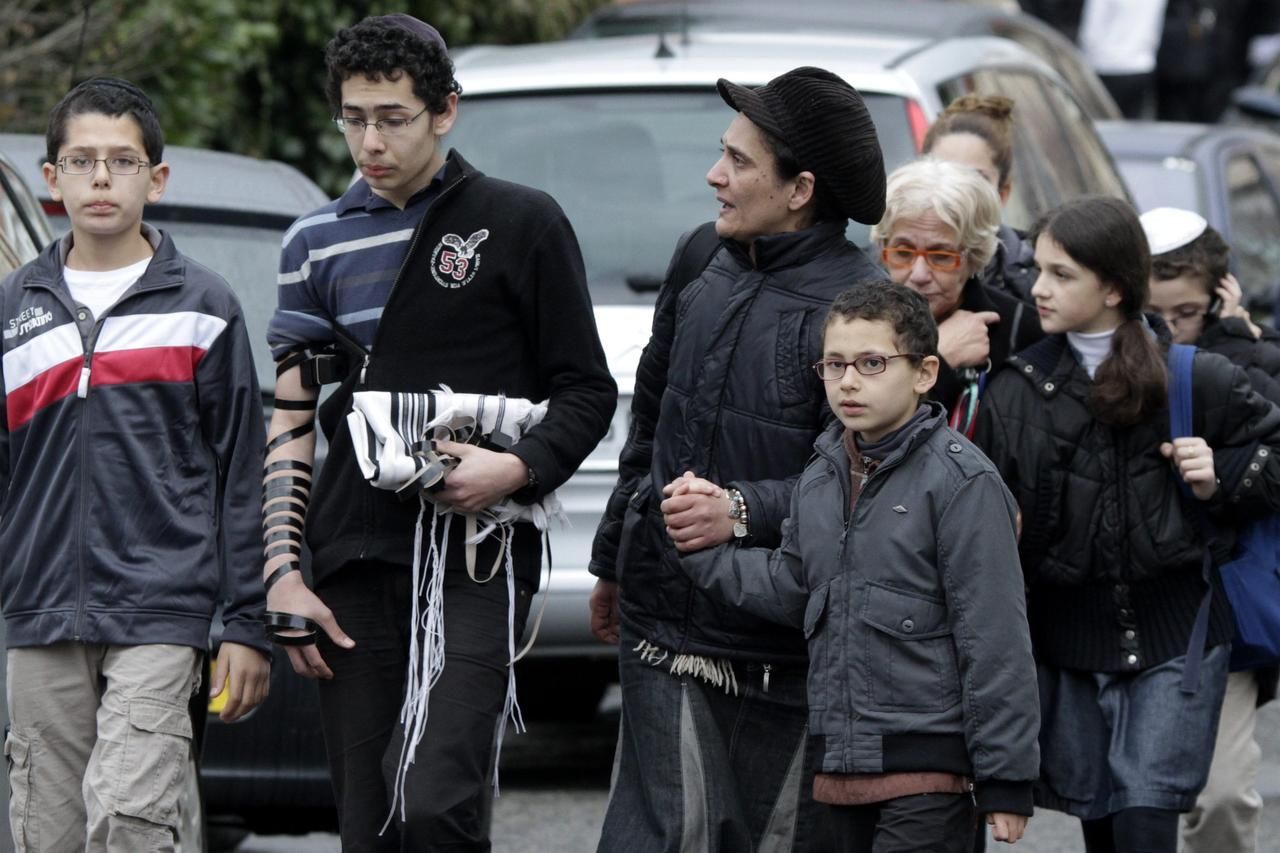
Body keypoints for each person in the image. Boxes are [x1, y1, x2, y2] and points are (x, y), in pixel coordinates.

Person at [260, 15, 616, 852]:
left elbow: (586, 389)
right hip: (350, 557)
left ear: (445, 111)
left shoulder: (522, 221)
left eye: (393, 117)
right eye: (353, 118)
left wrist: (516, 468)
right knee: (371, 822)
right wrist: (281, 570)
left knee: (436, 800)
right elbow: (292, 416)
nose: (369, 140)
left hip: (476, 556)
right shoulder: (313, 242)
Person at [588, 66, 887, 852]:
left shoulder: (865, 306)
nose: (715, 176)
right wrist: (616, 557)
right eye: (722, 154)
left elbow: (873, 483)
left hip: (781, 643)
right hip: (661, 619)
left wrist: (744, 509)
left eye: (740, 162)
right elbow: (649, 420)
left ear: (801, 190)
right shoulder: (699, 259)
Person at [673, 280, 1040, 853]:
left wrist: (1007, 778)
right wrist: (700, 553)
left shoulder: (963, 482)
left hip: (932, 772)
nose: (847, 381)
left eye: (872, 363)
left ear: (923, 373)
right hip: (839, 768)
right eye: (834, 364)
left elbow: (995, 639)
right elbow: (792, 586)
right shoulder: (821, 476)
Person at [0, 77, 270, 851]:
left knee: (128, 819)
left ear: (156, 177)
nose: (100, 178)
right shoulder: (15, 311)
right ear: (51, 179)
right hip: (42, 612)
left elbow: (241, 476)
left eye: (121, 161)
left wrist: (246, 624)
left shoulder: (204, 307)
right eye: (81, 161)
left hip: (161, 609)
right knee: (46, 833)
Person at [973, 195, 1280, 853]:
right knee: (1104, 825)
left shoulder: (1193, 377)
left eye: (1062, 274)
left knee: (1147, 819)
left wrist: (1223, 472)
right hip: (1070, 644)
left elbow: (1272, 454)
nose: (1040, 287)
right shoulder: (1016, 391)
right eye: (1040, 270)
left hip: (1178, 635)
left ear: (1113, 287)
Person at [1140, 206, 1280, 853]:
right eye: (1153, 314)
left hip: (1216, 607)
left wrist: (1235, 344)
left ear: (1221, 296)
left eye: (1184, 314)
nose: (1167, 332)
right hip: (1131, 602)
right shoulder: (1107, 358)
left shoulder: (1249, 361)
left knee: (1221, 790)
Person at [871, 159, 1042, 436]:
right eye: (903, 253)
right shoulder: (851, 324)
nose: (919, 274)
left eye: (941, 256)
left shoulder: (1022, 330)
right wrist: (942, 358)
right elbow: (862, 438)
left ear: (973, 258)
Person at [921, 94, 1038, 303]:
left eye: (976, 178)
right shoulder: (877, 269)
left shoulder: (1038, 280)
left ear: (1002, 194)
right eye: (943, 172)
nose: (956, 190)